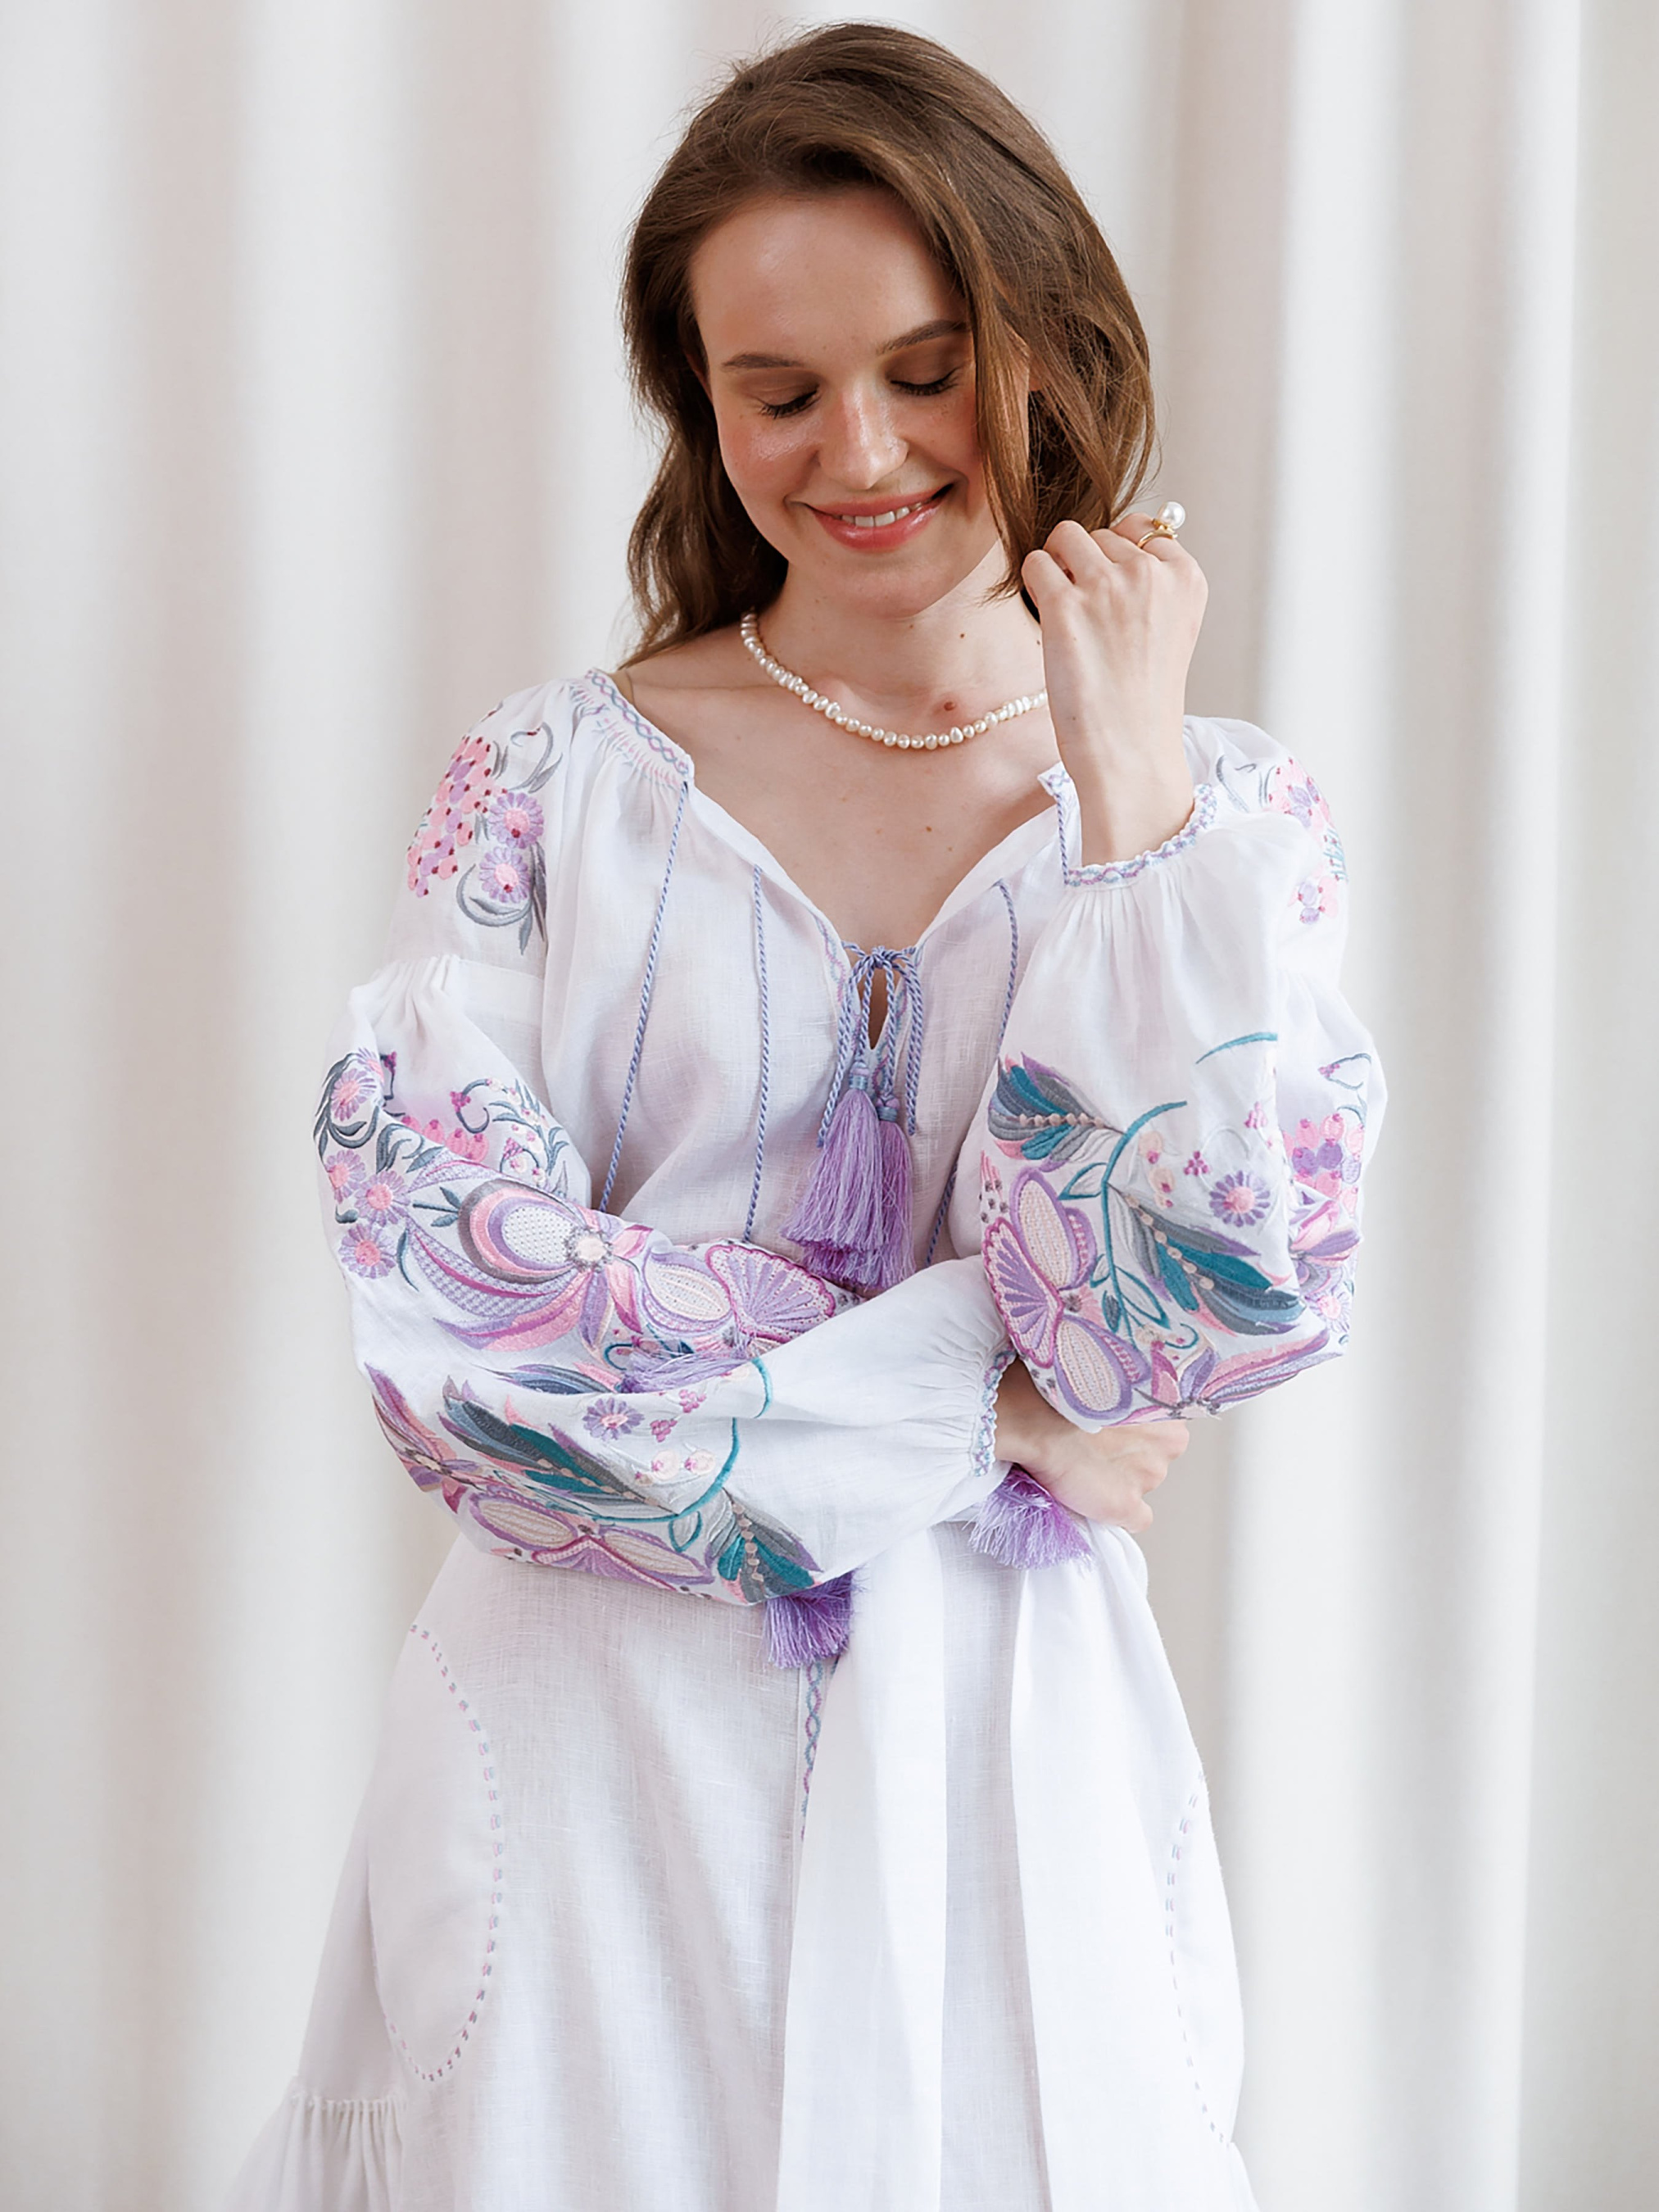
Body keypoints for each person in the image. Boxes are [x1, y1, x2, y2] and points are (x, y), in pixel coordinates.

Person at [228, 23, 1380, 2212]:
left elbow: (1183, 1323)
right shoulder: (549, 784)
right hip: (587, 1748)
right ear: (700, 404)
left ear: (1044, 345)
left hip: (1008, 1757)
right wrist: (984, 1400)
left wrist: (1133, 803)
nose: (858, 450)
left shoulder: (1224, 824)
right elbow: (473, 1339)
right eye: (777, 392)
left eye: (926, 370)